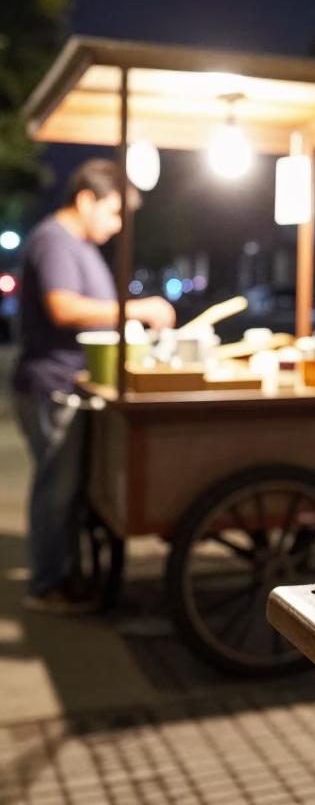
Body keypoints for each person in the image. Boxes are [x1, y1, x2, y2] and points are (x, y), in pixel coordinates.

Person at [12, 160, 176, 613]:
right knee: (56, 488)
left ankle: (64, 573)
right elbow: (63, 308)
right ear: (86, 200)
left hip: (69, 382)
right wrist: (136, 309)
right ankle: (48, 585)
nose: (117, 224)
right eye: (114, 212)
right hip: (52, 383)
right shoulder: (54, 240)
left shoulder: (77, 243)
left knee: (68, 488)